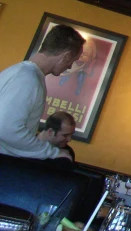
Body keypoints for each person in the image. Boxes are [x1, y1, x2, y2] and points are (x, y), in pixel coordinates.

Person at [0, 24, 84, 161]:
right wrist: (53, 153)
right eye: (73, 61)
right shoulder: (28, 78)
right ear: (66, 56)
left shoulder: (20, 72)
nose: (70, 66)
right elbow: (6, 129)